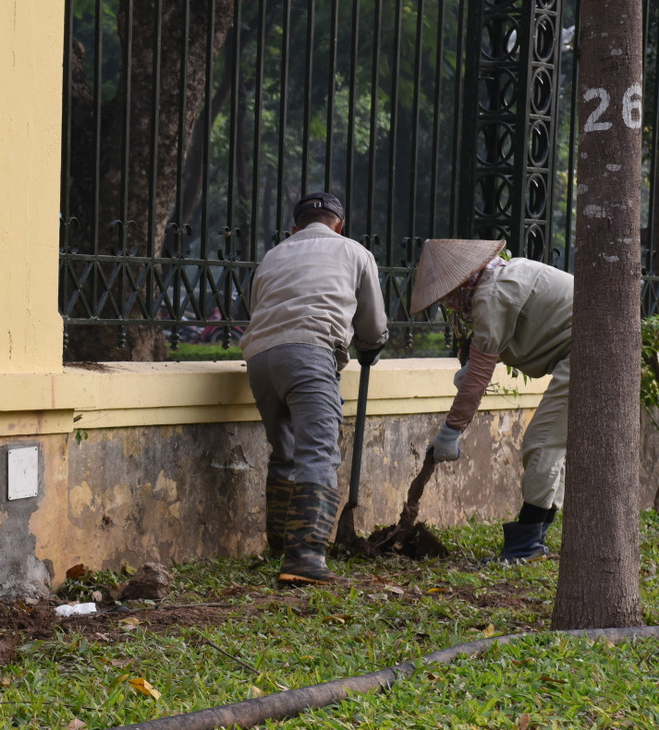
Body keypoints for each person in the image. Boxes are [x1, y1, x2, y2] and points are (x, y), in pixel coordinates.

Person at [240, 192, 388, 584]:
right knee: (319, 453)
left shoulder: (272, 255)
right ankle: (305, 556)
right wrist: (371, 348)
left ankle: (280, 546)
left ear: (295, 228)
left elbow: (258, 308)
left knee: (285, 452)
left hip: (259, 359)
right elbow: (372, 327)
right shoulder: (355, 251)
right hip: (309, 353)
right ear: (339, 224)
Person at [411, 238, 572, 562]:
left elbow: (480, 375)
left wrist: (450, 432)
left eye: (446, 296)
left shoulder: (491, 294)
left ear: (459, 285)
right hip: (580, 350)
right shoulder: (506, 273)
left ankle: (526, 545)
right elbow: (519, 328)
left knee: (541, 443)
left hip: (589, 352)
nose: (448, 304)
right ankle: (535, 538)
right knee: (550, 446)